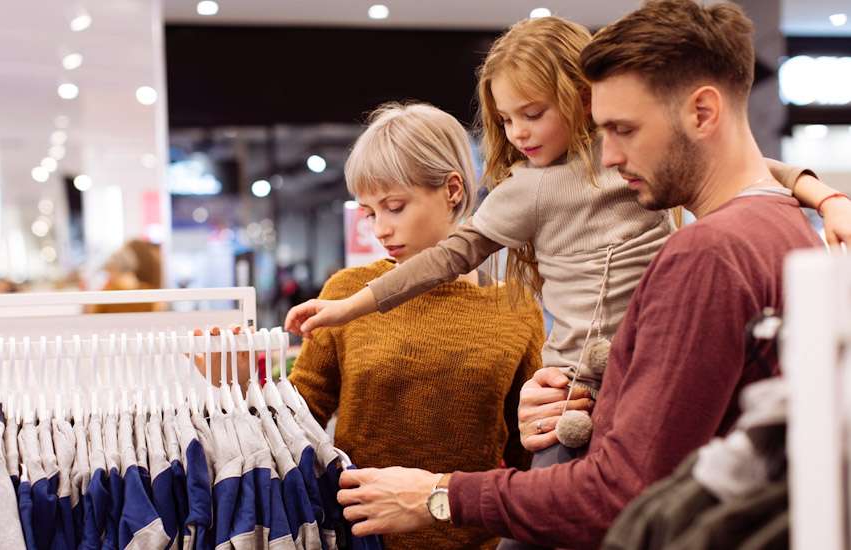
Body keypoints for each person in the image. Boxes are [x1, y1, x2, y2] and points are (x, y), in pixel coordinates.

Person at [325, 2, 828, 548]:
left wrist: (439, 495)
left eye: (623, 129)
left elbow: (618, 490)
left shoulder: (707, 254)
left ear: (703, 113)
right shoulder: (783, 226)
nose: (607, 156)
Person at [288, 102, 545, 550]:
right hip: (362, 537)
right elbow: (299, 419)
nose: (381, 230)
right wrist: (228, 384)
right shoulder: (348, 293)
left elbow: (530, 453)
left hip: (476, 540)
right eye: (369, 213)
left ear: (452, 189)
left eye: (394, 207)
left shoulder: (514, 305)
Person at [86, 239, 164, 314]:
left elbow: (94, 320)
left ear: (114, 268)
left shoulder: (106, 295)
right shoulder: (151, 293)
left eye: (109, 271)